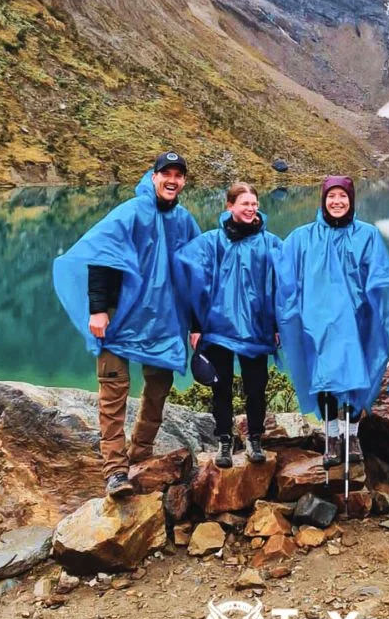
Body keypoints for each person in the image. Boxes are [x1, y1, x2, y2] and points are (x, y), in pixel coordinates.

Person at [53, 152, 200, 499]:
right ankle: (116, 471)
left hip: (162, 321)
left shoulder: (184, 221)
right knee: (113, 391)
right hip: (120, 316)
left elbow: (195, 275)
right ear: (153, 176)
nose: (172, 180)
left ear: (183, 182)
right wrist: (98, 310)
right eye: (167, 173)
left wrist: (195, 322)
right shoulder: (130, 213)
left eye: (179, 175)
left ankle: (141, 454)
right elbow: (102, 258)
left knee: (158, 387)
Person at [276, 176, 389, 470]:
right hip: (318, 323)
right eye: (331, 196)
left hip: (359, 320)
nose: (337, 202)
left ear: (351, 200)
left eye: (342, 196)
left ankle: (352, 435)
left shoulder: (367, 235)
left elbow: (381, 274)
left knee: (360, 373)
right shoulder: (301, 238)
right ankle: (331, 437)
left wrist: (382, 305)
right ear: (323, 200)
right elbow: (285, 280)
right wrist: (287, 317)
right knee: (325, 378)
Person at [174, 182, 281, 469]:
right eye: (244, 204)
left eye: (254, 204)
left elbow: (282, 286)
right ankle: (224, 439)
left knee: (256, 385)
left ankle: (254, 438)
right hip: (217, 327)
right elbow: (195, 282)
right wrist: (195, 326)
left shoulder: (270, 243)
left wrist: (278, 325)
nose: (250, 209)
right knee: (220, 386)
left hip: (257, 327)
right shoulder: (211, 242)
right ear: (230, 206)